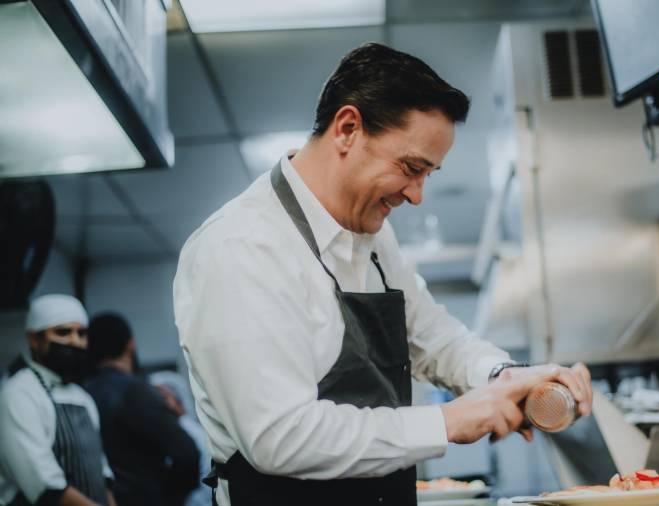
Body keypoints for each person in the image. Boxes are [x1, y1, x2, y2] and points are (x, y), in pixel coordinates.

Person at [173, 42, 593, 506]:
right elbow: (280, 437)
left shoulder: (371, 236)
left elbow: (434, 337)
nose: (417, 196)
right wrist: (447, 421)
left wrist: (506, 377)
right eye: (411, 168)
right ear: (348, 128)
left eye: (428, 174)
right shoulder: (242, 247)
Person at [0, 294, 117, 506]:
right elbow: (45, 486)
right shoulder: (18, 393)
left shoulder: (82, 398)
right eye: (63, 332)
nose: (75, 341)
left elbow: (101, 471)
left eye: (81, 334)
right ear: (34, 339)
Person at [83, 313, 199, 506]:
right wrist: (167, 498)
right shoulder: (136, 392)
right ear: (130, 344)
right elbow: (187, 454)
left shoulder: (81, 395)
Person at [148, 371, 211, 506]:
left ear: (178, 400)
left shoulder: (185, 431)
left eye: (163, 397)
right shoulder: (191, 429)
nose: (158, 403)